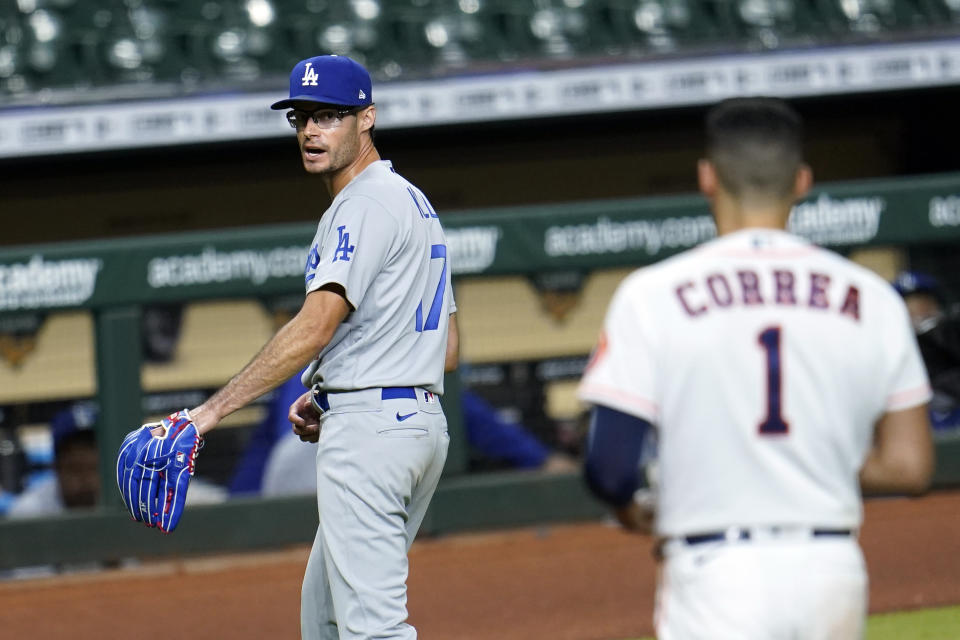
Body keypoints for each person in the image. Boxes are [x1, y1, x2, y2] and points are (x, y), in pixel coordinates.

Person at [577, 97, 934, 639]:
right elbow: (910, 467)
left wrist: (636, 512)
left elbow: (609, 469)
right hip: (830, 569)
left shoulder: (651, 294)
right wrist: (808, 456)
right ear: (803, 180)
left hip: (716, 569)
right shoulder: (871, 297)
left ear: (706, 177)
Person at [184, 55, 458, 640]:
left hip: (373, 436)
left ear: (367, 119)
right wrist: (334, 390)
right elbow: (447, 347)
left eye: (329, 115)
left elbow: (314, 327)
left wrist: (207, 415)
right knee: (325, 617)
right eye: (301, 117)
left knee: (373, 629)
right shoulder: (413, 202)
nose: (311, 130)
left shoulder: (360, 205)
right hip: (414, 426)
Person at [893, 270, 960, 431]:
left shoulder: (950, 340)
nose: (919, 315)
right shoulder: (885, 356)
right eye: (909, 309)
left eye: (925, 306)